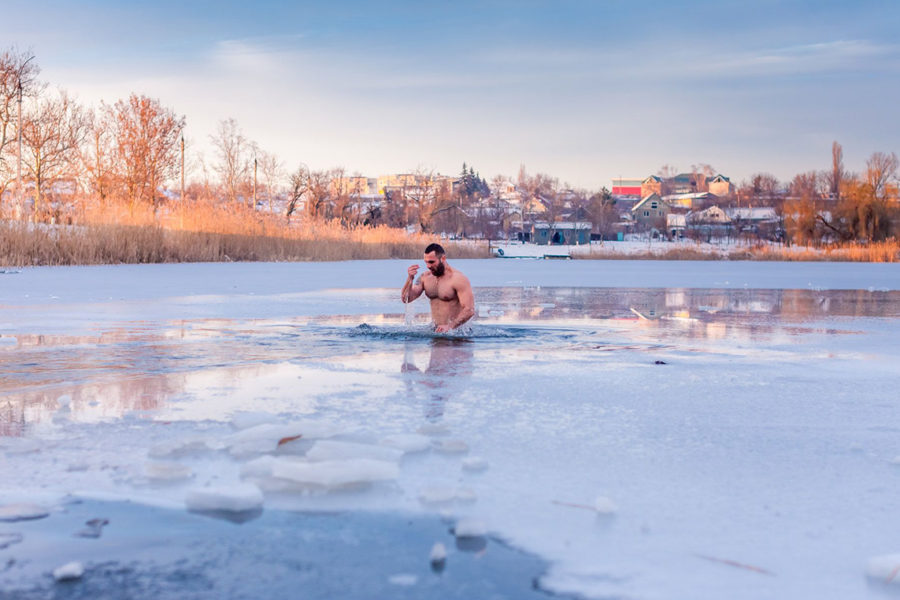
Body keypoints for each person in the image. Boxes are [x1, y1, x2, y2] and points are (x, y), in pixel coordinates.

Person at [401, 243, 475, 333]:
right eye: (426, 262)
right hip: (436, 331)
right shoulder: (425, 277)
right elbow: (406, 298)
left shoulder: (458, 279)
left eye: (431, 262)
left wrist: (450, 327)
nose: (428, 266)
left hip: (456, 333)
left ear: (443, 258)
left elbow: (469, 310)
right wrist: (410, 279)